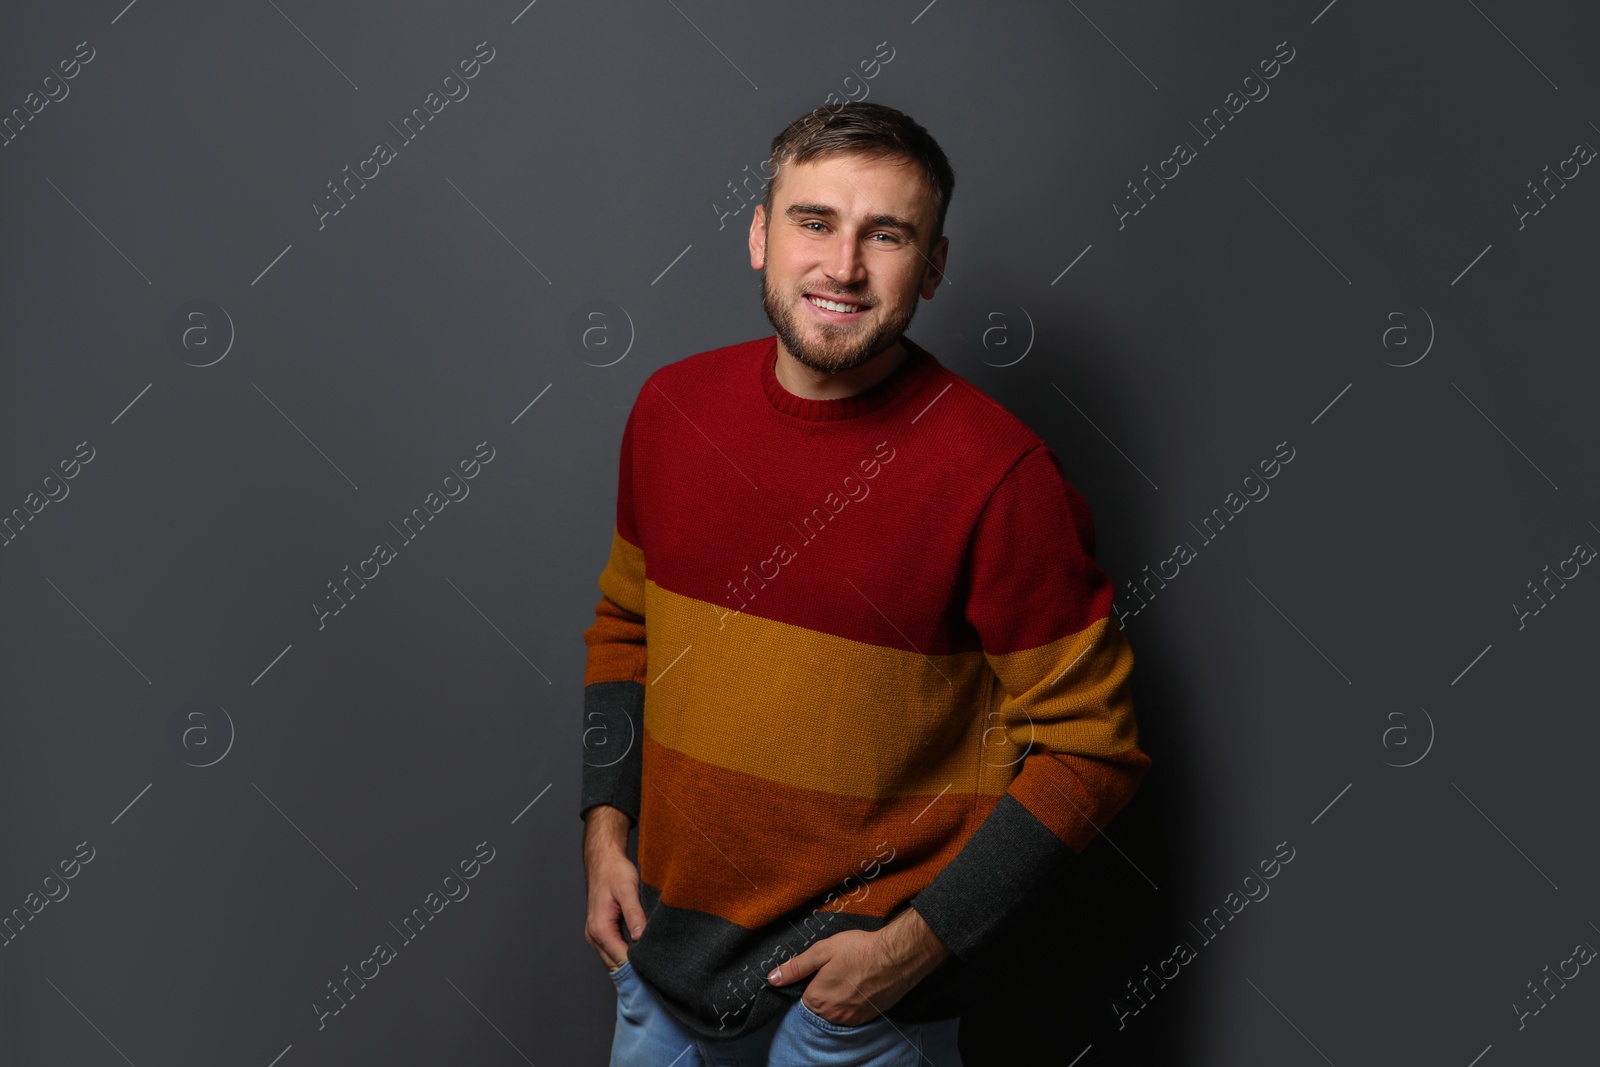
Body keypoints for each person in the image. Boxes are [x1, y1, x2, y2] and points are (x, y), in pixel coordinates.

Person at [580, 100, 1151, 1066]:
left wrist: (913, 947)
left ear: (931, 266)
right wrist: (604, 830)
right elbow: (625, 624)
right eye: (815, 222)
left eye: (886, 235)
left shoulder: (999, 474)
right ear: (760, 236)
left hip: (850, 1007)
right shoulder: (671, 409)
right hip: (662, 963)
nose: (843, 268)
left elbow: (1094, 748)